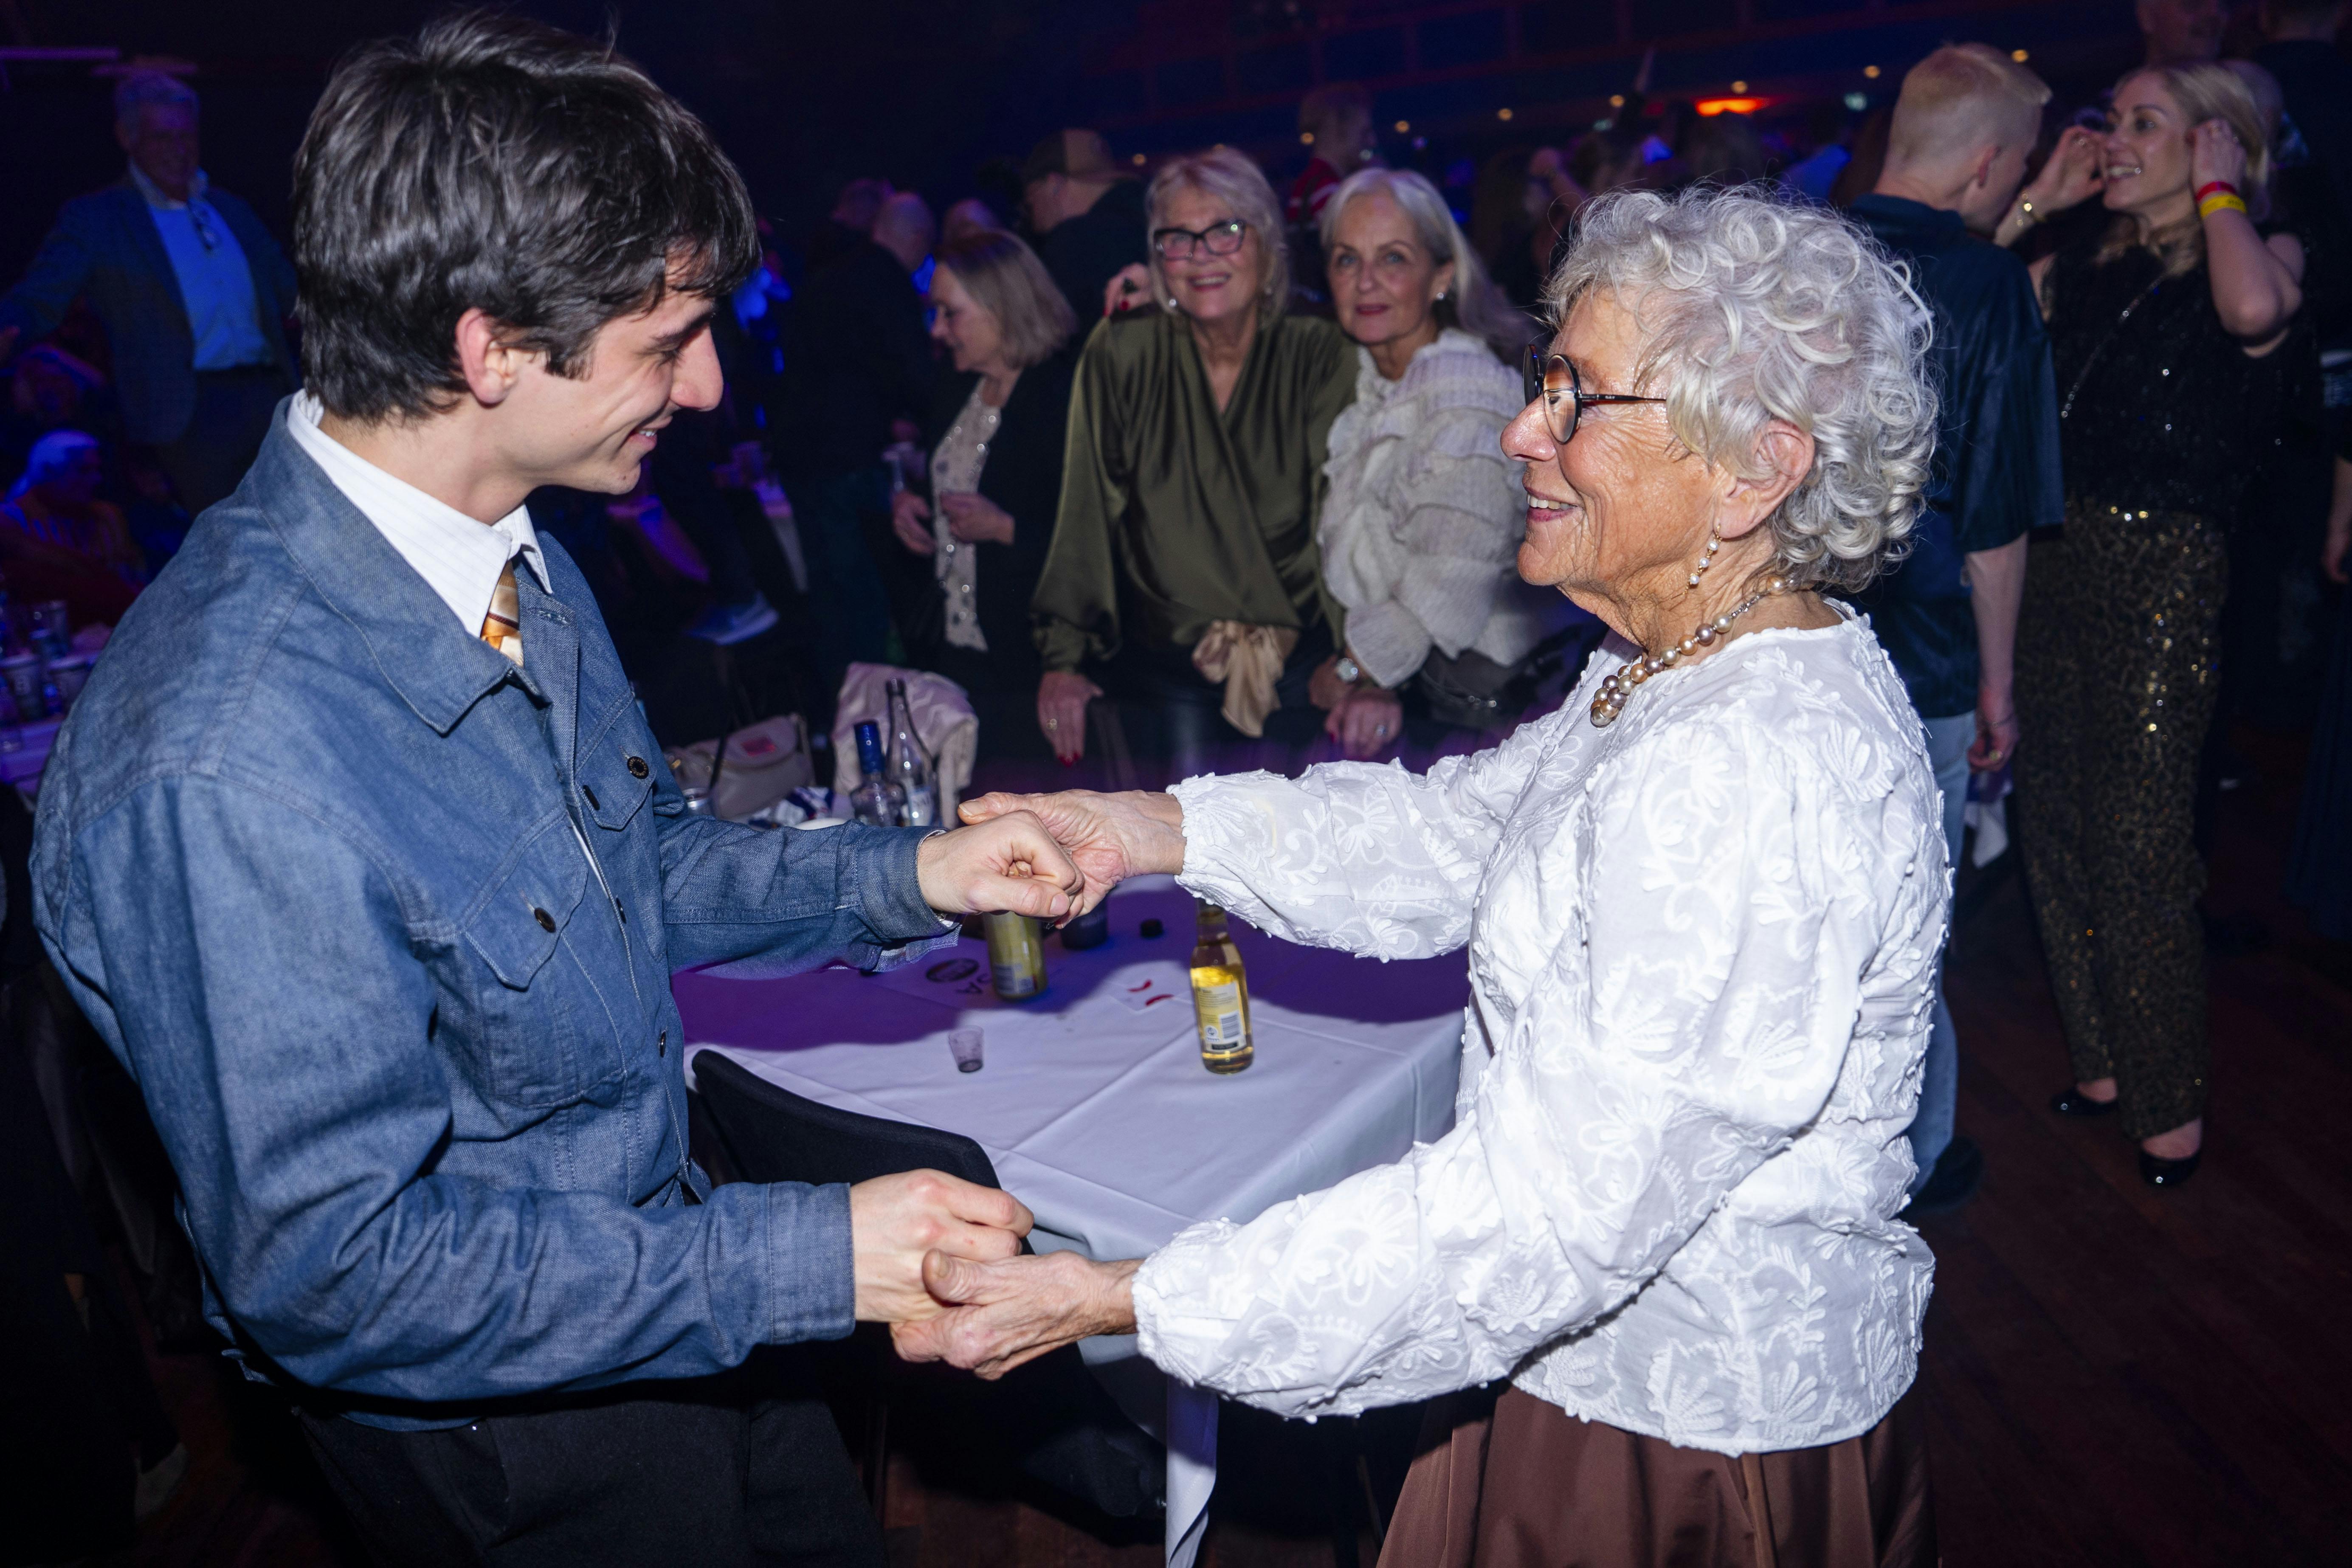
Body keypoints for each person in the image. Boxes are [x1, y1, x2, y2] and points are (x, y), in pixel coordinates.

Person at [28, 17, 1088, 1565]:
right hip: (522, 1438)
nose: (708, 385)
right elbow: (338, 1273)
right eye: (667, 344)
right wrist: (804, 1257)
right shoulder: (225, 758)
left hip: (683, 1276)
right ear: (490, 353)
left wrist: (917, 871)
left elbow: (637, 864)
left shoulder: (509, 547)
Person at [915, 186, 1946, 1568]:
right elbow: (1452, 837)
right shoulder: (1674, 666)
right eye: (1542, 382)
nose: (1522, 430)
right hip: (1581, 1364)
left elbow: (1544, 1213)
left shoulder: (1747, 764)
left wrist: (1124, 1296)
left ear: (1753, 469)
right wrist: (1141, 828)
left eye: (1577, 399)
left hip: (1681, 1435)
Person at [1998, 63, 2304, 1186]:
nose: (2115, 138)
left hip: (2164, 568)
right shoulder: (2084, 256)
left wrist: (2220, 195)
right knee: (2054, 821)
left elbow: (2255, 313)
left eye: (2144, 123)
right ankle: (2102, 1062)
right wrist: (2038, 198)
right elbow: (1970, 309)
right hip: (2053, 555)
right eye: (2109, 118)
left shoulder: (2262, 249)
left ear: (2213, 144)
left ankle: (2167, 1100)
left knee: (2138, 841)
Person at [1847, 44, 2064, 1214]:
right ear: (1986, 167)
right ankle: (1908, 1165)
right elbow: (1990, 524)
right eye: (2016, 169)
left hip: (1782, 644)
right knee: (1902, 933)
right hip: (1921, 658)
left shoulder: (1797, 255)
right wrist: (1998, 690)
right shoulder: (1989, 290)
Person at [1031, 148, 1356, 782]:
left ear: (1266, 242)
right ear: (1157, 256)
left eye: (1225, 231)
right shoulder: (1124, 351)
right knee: (1183, 845)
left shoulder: (1320, 349)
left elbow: (1350, 517)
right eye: (1177, 238)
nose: (1201, 255)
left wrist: (1361, 664)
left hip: (1305, 672)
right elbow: (1086, 510)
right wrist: (1062, 658)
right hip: (1167, 675)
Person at [1309, 167, 1549, 763]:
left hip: (1478, 712)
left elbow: (1445, 588)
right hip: (1414, 687)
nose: (1365, 282)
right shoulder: (1370, 382)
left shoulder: (1465, 400)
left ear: (1441, 276)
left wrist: (1350, 669)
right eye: (1346, 260)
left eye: (1392, 258)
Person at [0, 72, 298, 516]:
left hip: (273, 398)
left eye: (186, 136)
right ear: (128, 138)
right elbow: (39, 298)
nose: (179, 149)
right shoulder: (99, 219)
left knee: (301, 530)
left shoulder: (230, 209)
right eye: (162, 137)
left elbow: (292, 292)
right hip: (189, 413)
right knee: (230, 538)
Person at [889, 228, 1078, 758]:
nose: (938, 330)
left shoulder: (1063, 397)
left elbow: (1102, 543)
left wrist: (1004, 529)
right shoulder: (957, 385)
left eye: (950, 313)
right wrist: (908, 500)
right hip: (957, 645)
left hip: (1033, 654)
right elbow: (949, 474)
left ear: (1002, 306)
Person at [777, 189, 938, 705]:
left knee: (830, 597)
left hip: (803, 460)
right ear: (916, 239)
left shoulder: (826, 277)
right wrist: (936, 426)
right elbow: (916, 375)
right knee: (864, 595)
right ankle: (875, 714)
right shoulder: (885, 281)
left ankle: (844, 714)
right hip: (849, 462)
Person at [0, 429, 145, 627]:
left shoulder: (108, 516)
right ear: (48, 471)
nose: (97, 479)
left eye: (97, 470)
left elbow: (133, 578)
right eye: (84, 471)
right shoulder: (12, 521)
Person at [1020, 129, 1149, 327]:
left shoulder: (1071, 242)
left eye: (1031, 198)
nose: (1032, 216)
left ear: (1054, 184)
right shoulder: (1154, 214)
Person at [1287, 84, 1378, 228]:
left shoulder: (1311, 184)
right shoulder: (1327, 189)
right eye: (1364, 132)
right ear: (1335, 128)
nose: (1372, 141)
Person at [2139, 0, 2226, 65]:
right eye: (2194, 3)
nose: (2214, 14)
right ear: (2147, 16)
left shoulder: (2233, 75)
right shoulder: (2138, 84)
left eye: (2223, 4)